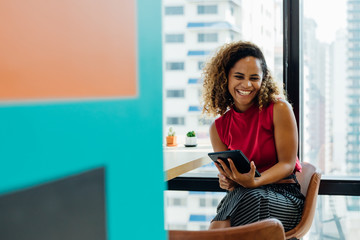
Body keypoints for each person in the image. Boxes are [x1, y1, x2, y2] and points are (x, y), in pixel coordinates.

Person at [201, 41, 304, 232]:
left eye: (254, 78)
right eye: (239, 77)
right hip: (243, 197)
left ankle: (213, 233)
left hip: (285, 196)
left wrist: (255, 181)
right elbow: (230, 179)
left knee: (243, 202)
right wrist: (227, 180)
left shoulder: (279, 109)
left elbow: (287, 164)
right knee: (243, 198)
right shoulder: (218, 128)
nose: (247, 84)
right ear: (225, 79)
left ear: (263, 80)